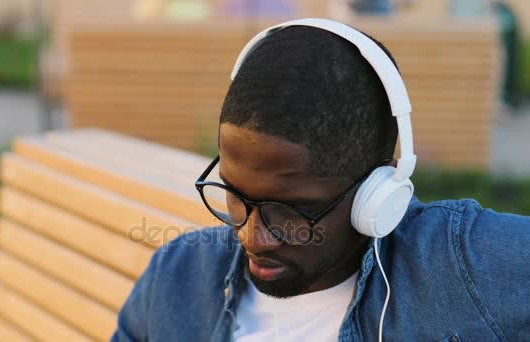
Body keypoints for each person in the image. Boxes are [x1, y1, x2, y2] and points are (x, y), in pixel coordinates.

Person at [111, 18, 530, 341]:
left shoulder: (460, 263)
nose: (255, 237)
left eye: (294, 209)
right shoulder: (178, 275)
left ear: (377, 193)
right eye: (235, 195)